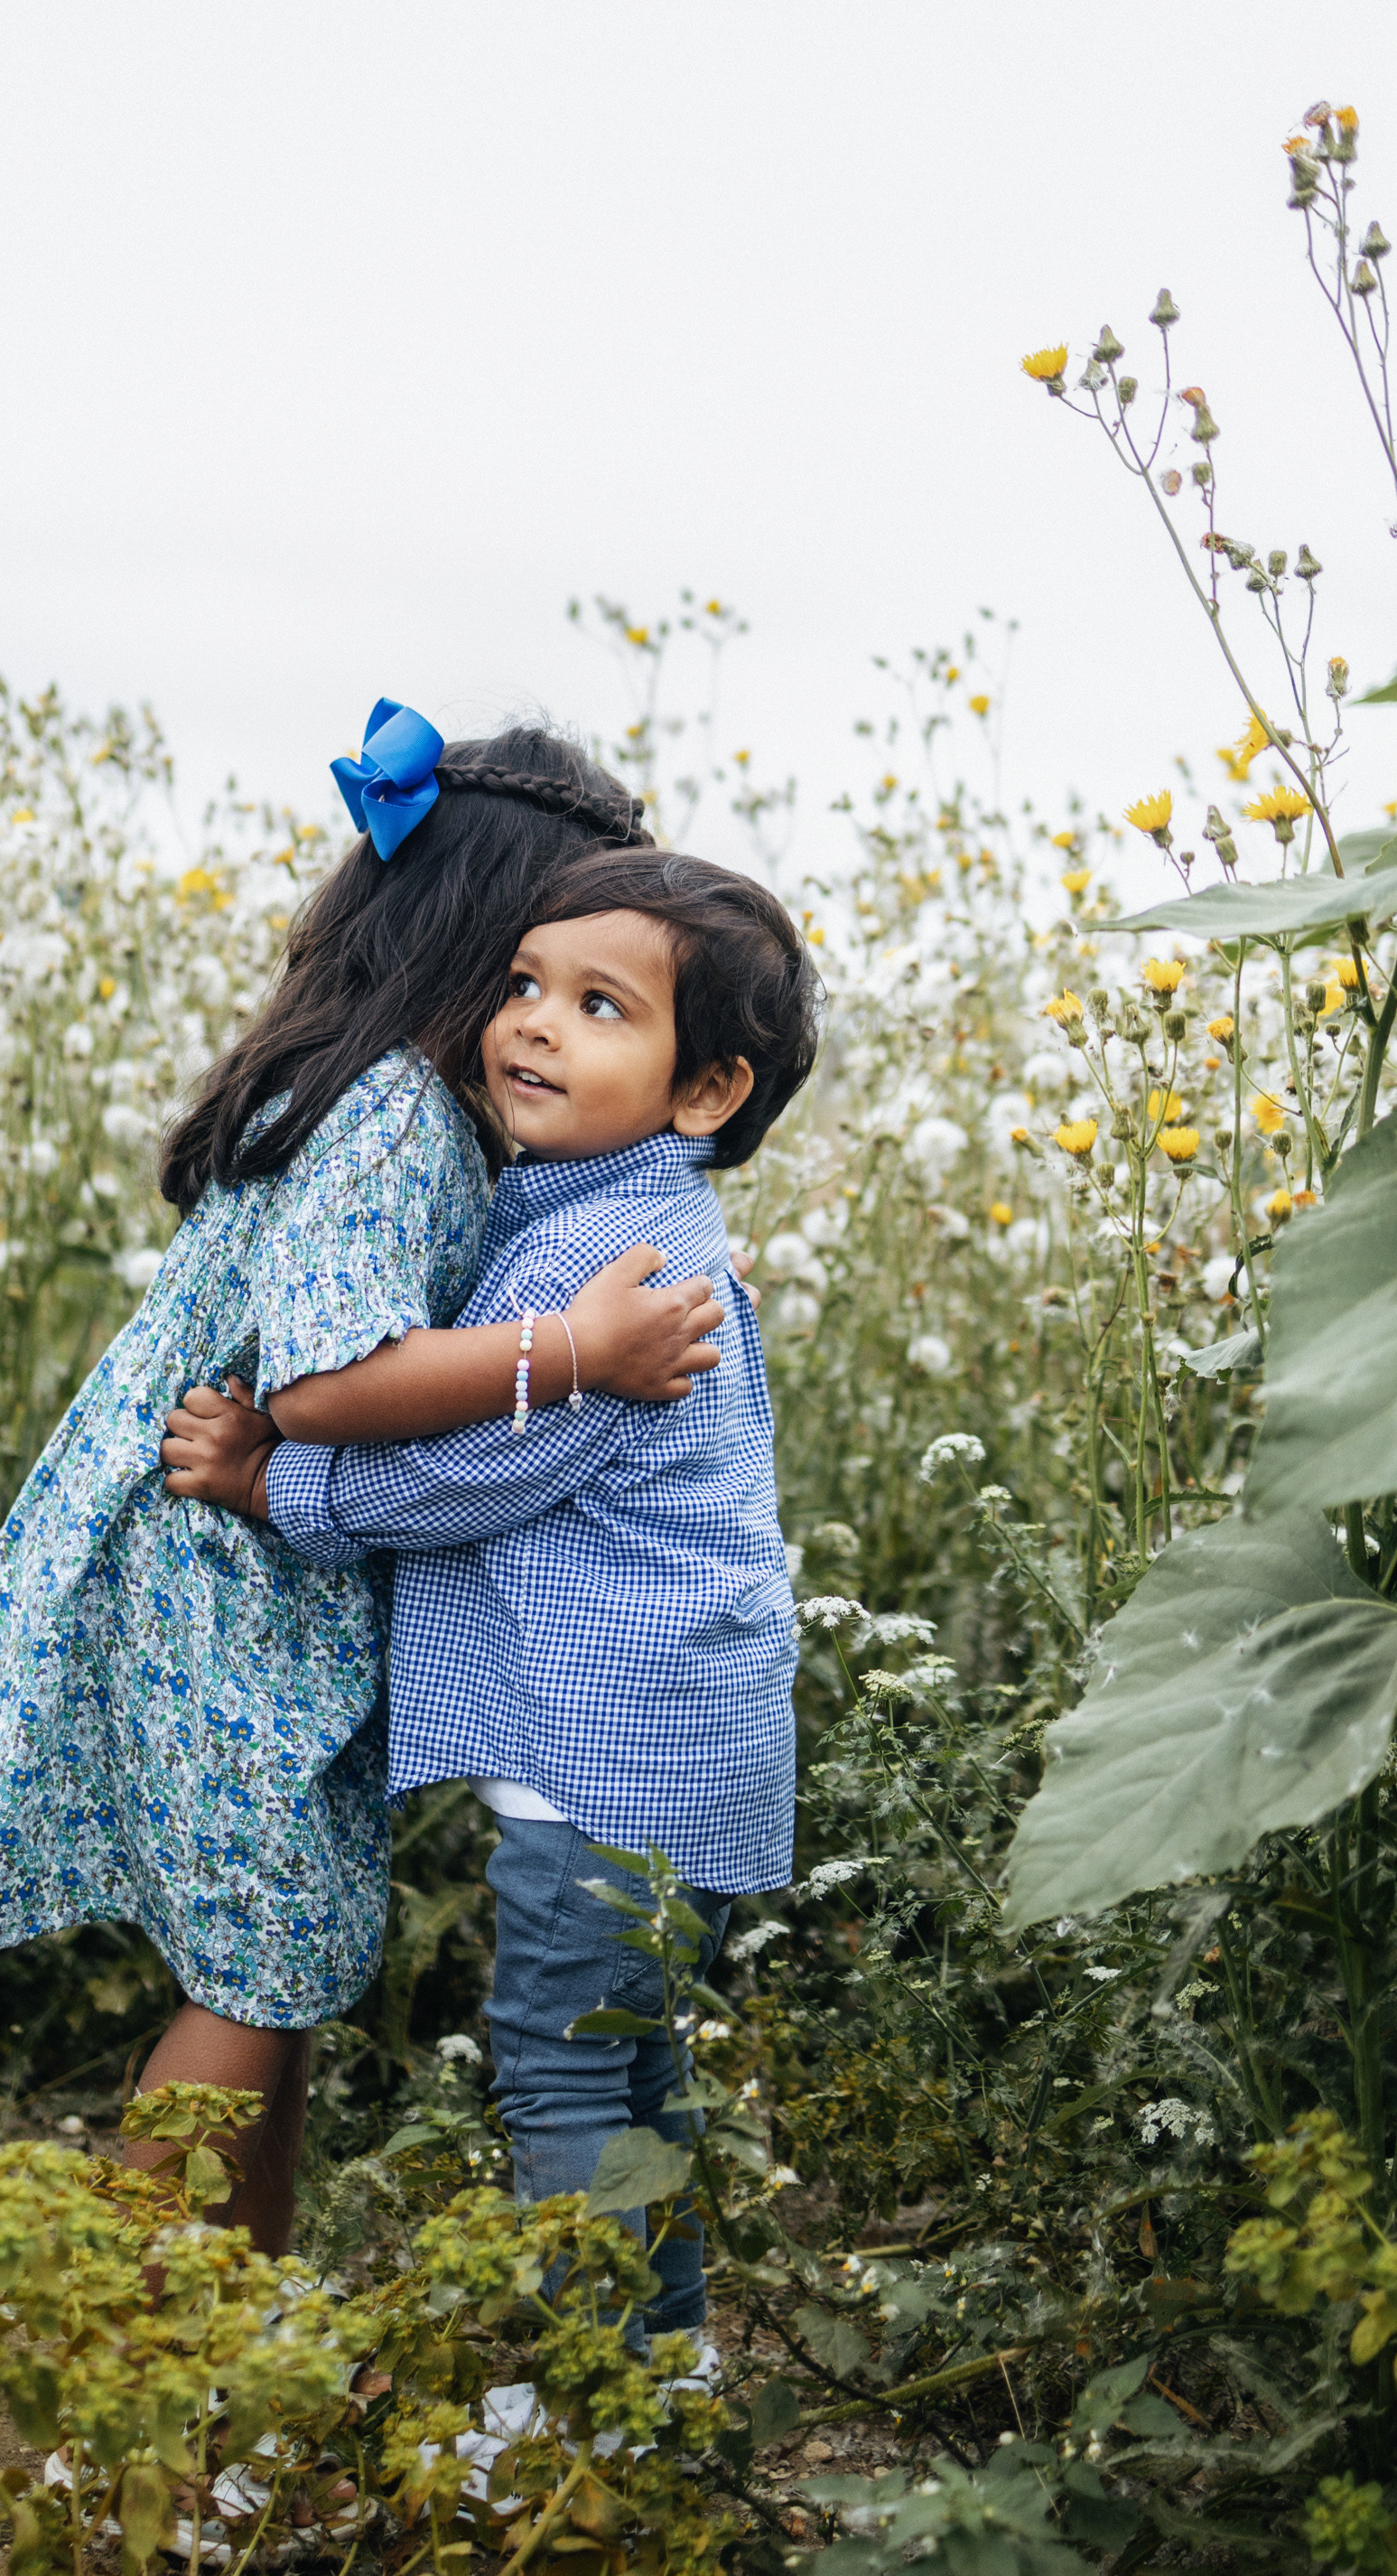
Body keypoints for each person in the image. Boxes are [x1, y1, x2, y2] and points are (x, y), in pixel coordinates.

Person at [0, 707, 732, 2256]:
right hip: (225, 1578)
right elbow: (325, 1387)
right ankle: (126, 2395)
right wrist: (575, 1350)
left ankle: (225, 2359)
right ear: (485, 935)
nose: (546, 1019)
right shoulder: (400, 1118)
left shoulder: (351, 1078)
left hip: (219, 1573)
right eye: (538, 971)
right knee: (262, 1973)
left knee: (277, 1966)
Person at [164, 845, 824, 2343]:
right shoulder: (589, 1222)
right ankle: (653, 2391)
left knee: (562, 2064)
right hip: (663, 1738)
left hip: (608, 1751)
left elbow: (465, 1476)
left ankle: (577, 2411)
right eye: (524, 984)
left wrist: (273, 1482)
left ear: (705, 1090)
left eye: (599, 1007)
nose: (531, 1023)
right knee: (633, 2067)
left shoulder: (615, 1265)